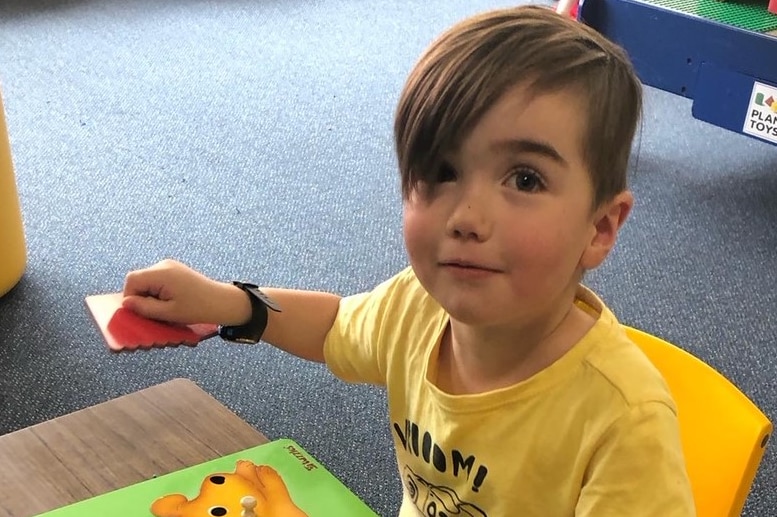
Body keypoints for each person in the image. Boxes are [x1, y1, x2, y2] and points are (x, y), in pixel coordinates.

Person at [121, 5, 695, 516]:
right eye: (441, 173)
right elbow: (334, 329)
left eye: (524, 178)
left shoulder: (624, 424)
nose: (466, 216)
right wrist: (224, 301)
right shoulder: (416, 307)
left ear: (598, 229)